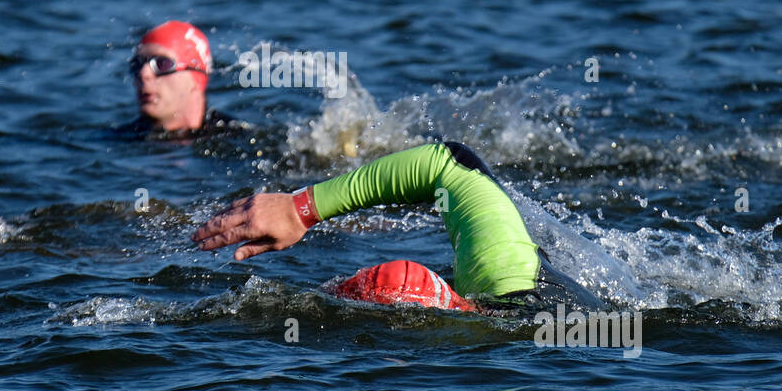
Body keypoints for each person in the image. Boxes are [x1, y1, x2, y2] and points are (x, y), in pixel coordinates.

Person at [192, 141, 605, 313]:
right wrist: (302, 208)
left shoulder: (500, 273)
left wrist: (304, 207)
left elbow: (445, 160)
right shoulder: (502, 270)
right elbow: (449, 161)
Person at [118, 20, 245, 139]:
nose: (143, 73)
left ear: (196, 78)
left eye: (162, 64)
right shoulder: (118, 140)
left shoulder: (236, 139)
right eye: (137, 65)